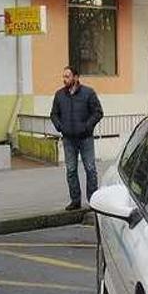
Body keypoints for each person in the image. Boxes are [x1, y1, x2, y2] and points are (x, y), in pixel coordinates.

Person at [50, 66, 104, 210]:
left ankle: (93, 201)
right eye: (63, 76)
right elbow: (54, 114)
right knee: (71, 170)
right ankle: (75, 201)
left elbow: (98, 112)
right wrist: (60, 127)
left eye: (67, 76)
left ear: (76, 77)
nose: (64, 79)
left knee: (90, 169)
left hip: (85, 138)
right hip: (68, 139)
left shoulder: (88, 93)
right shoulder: (59, 95)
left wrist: (87, 126)